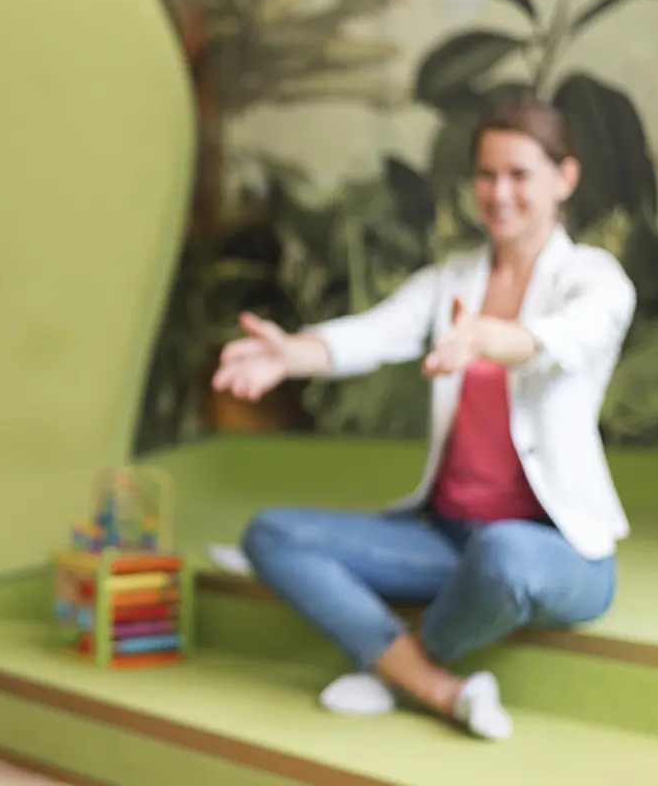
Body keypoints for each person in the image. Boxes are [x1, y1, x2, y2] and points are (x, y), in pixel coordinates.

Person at [211, 97, 635, 742]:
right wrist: (290, 353)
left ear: (564, 179)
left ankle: (393, 672)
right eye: (487, 175)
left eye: (520, 175)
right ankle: (438, 688)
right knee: (273, 535)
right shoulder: (453, 280)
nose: (499, 193)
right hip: (448, 539)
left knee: (503, 553)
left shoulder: (596, 279)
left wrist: (490, 337)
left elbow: (559, 339)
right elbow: (376, 332)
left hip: (555, 551)